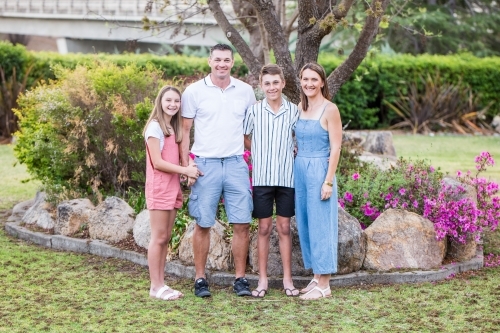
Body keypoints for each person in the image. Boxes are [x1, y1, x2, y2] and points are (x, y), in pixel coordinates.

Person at [180, 44, 257, 298]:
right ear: (209, 61)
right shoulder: (194, 91)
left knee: (242, 223)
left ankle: (240, 279)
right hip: (205, 165)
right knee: (203, 223)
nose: (222, 64)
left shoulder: (245, 92)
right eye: (217, 60)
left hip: (236, 163)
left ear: (233, 62)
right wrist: (186, 166)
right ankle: (200, 279)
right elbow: (184, 131)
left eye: (226, 60)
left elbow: (250, 134)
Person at [243, 64, 300, 298]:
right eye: (267, 83)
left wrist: (294, 149)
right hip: (263, 179)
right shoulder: (254, 111)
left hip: (287, 178)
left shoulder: (295, 111)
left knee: (284, 227)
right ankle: (263, 279)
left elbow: (300, 138)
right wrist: (258, 152)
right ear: (261, 85)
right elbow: (246, 137)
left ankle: (288, 280)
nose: (272, 87)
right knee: (264, 228)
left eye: (276, 82)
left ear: (283, 83)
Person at [143, 85, 201, 301]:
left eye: (176, 101)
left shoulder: (172, 128)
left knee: (165, 237)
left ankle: (160, 283)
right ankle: (155, 286)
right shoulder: (154, 127)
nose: (173, 104)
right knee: (158, 238)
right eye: (168, 100)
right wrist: (185, 170)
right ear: (160, 102)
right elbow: (157, 163)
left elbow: (177, 157)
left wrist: (190, 165)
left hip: (173, 187)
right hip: (159, 188)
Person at [294, 63, 342, 300]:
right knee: (306, 223)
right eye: (305, 79)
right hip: (300, 169)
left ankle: (325, 284)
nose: (309, 84)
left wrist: (328, 181)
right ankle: (316, 276)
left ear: (322, 82)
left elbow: (336, 148)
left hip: (320, 171)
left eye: (314, 79)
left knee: (322, 225)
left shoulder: (329, 109)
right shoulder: (300, 107)